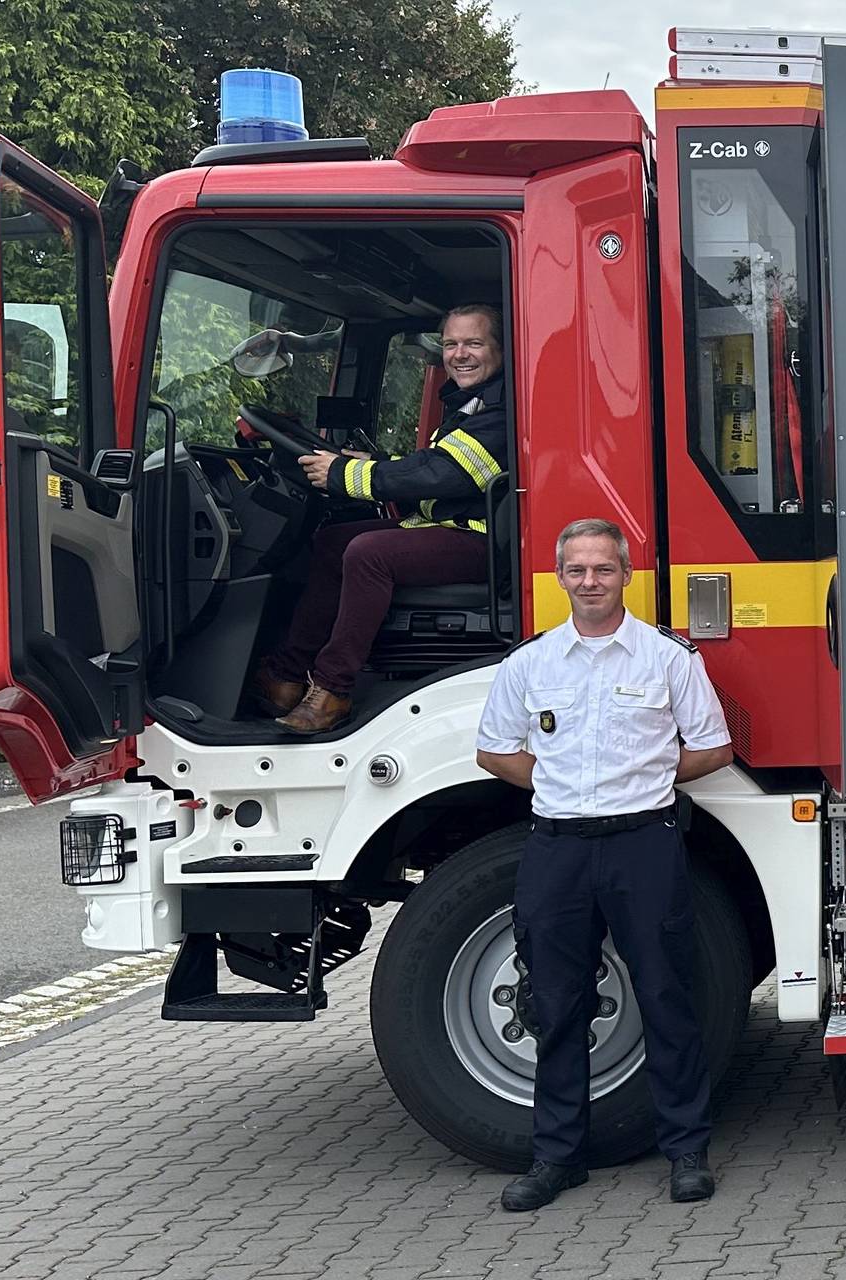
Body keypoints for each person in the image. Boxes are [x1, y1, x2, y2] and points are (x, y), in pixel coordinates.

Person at [474, 519, 736, 1213]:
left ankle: (686, 1152)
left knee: (666, 998)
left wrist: (644, 772)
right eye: (578, 570)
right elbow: (495, 750)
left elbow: (713, 748)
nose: (591, 581)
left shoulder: (666, 659)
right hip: (558, 847)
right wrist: (560, 783)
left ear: (627, 575)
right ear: (560, 578)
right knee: (558, 1006)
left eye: (604, 569)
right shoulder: (530, 665)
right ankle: (557, 1158)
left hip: (643, 846)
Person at [251, 304, 512, 734]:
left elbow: (445, 473)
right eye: (450, 344)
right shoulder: (473, 400)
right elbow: (436, 463)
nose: (459, 354)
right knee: (333, 542)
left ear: (500, 350)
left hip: (482, 540)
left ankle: (333, 689)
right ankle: (286, 676)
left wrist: (344, 473)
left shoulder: (501, 410)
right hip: (451, 527)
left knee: (369, 552)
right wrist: (374, 461)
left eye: (473, 343)